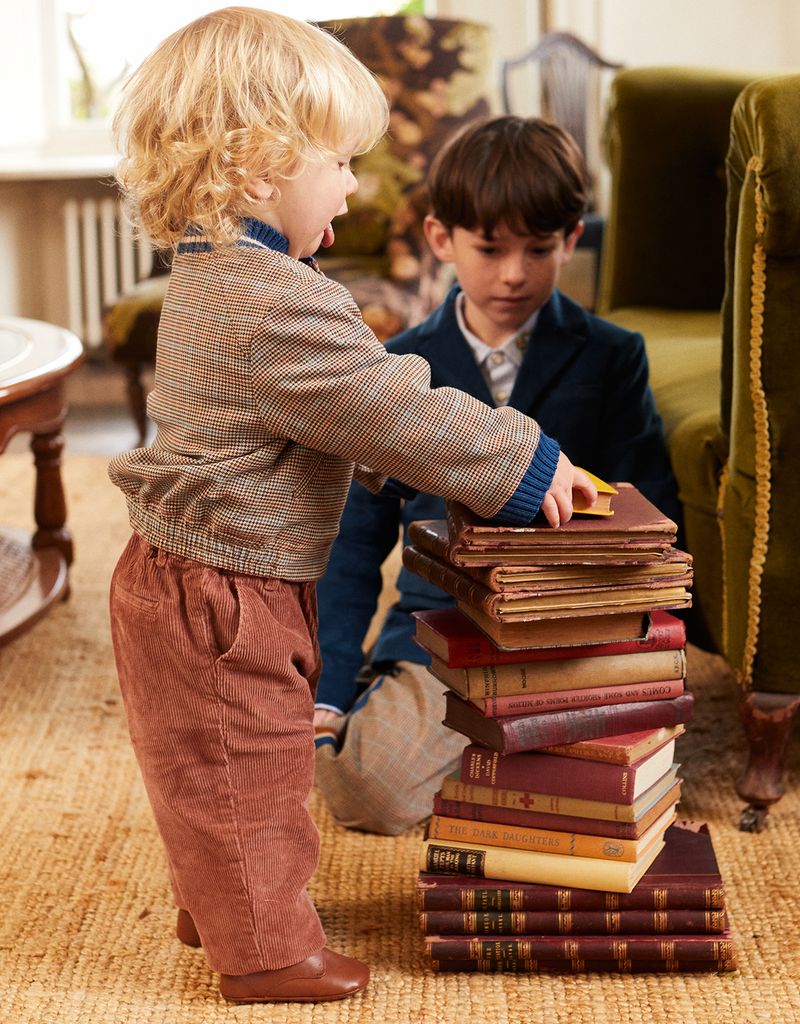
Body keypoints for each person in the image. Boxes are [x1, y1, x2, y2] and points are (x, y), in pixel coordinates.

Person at [106, 10, 596, 1006]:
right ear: (257, 167)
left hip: (180, 569)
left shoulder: (207, 279)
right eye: (337, 160)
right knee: (254, 774)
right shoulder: (280, 300)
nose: (353, 184)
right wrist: (527, 462)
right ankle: (267, 951)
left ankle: (217, 900)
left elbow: (302, 421)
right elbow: (391, 409)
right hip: (224, 590)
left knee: (201, 766)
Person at [313, 115, 682, 837]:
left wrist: (643, 653)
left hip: (579, 638)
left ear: (572, 240)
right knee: (365, 795)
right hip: (443, 641)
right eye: (489, 248)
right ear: (441, 238)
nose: (513, 273)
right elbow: (352, 547)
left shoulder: (614, 356)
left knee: (633, 791)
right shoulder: (391, 371)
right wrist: (326, 693)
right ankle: (467, 735)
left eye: (538, 249)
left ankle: (523, 751)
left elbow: (656, 519)